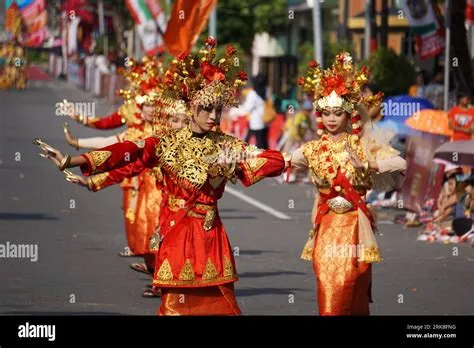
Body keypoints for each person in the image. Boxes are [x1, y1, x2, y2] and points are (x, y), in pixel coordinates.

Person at [35, 37, 286, 315]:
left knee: (222, 306)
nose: (214, 115)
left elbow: (271, 159)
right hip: (177, 232)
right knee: (175, 306)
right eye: (206, 108)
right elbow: (126, 153)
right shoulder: (165, 144)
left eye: (218, 109)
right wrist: (74, 160)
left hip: (211, 235)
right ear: (190, 106)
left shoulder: (226, 144)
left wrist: (252, 159)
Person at [289, 52, 407, 315]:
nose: (332, 119)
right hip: (326, 225)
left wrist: (369, 165)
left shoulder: (363, 146)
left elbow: (401, 165)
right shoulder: (312, 149)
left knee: (352, 285)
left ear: (348, 114)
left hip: (355, 225)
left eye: (338, 113)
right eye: (327, 113)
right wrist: (241, 158)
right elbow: (284, 161)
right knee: (328, 283)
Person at [241, 74, 268, 149]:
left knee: (258, 143)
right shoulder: (266, 91)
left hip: (256, 122)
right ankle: (267, 157)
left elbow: (247, 108)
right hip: (265, 120)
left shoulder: (253, 94)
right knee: (264, 142)